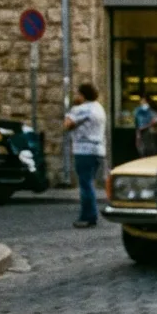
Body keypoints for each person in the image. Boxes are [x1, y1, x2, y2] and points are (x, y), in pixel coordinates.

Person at [63, 83, 107, 229]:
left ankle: (88, 216)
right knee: (89, 183)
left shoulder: (81, 109)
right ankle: (90, 214)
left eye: (78, 94)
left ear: (83, 95)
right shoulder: (99, 108)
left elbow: (67, 124)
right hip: (98, 150)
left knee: (85, 184)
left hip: (84, 150)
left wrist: (72, 110)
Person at [132, 94, 157, 158]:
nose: (142, 103)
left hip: (149, 132)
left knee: (150, 149)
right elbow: (137, 123)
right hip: (142, 132)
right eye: (141, 102)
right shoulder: (138, 111)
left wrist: (151, 123)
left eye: (144, 102)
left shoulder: (151, 111)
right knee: (142, 150)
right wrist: (138, 134)